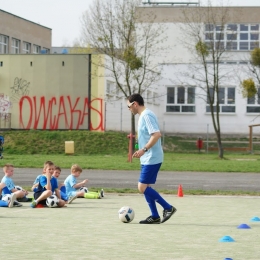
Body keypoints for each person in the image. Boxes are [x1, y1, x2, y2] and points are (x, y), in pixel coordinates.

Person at [127, 93, 177, 224]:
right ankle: (154, 216)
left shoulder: (147, 115)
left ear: (135, 104)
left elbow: (156, 135)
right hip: (147, 157)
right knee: (146, 187)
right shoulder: (143, 116)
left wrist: (144, 149)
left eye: (129, 106)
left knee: (142, 187)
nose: (129, 109)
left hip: (152, 157)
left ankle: (168, 207)